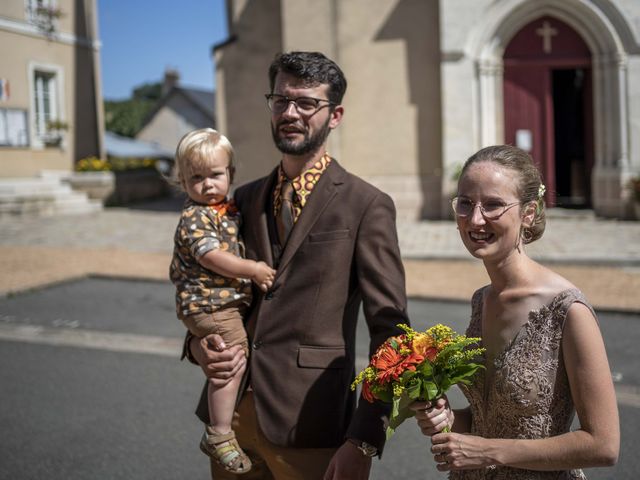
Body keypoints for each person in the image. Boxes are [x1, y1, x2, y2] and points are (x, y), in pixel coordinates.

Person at [183, 51, 409, 479]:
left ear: (335, 115)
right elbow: (207, 284)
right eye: (281, 100)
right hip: (231, 420)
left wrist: (364, 438)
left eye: (306, 103)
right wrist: (195, 345)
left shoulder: (367, 206)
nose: (290, 113)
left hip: (312, 424)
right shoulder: (243, 199)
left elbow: (391, 332)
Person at [411, 145, 619, 479]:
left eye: (493, 205)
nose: (475, 219)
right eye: (465, 203)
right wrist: (448, 418)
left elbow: (603, 445)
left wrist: (486, 451)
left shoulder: (568, 311)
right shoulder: (482, 300)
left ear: (528, 213)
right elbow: (486, 421)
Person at [170, 128, 276, 474]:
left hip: (215, 302)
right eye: (195, 178)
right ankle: (219, 432)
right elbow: (211, 256)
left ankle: (221, 429)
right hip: (209, 304)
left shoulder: (224, 210)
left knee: (230, 355)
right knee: (231, 358)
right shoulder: (196, 216)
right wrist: (254, 270)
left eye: (214, 175)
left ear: (230, 174)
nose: (206, 184)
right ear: (182, 181)